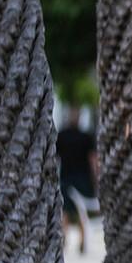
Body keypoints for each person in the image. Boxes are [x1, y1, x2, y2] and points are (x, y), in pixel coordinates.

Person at [56, 106, 98, 255]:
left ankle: (69, 239)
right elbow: (92, 159)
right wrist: (95, 179)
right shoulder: (84, 136)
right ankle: (77, 240)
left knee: (67, 211)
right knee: (78, 211)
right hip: (79, 178)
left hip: (70, 177)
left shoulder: (64, 135)